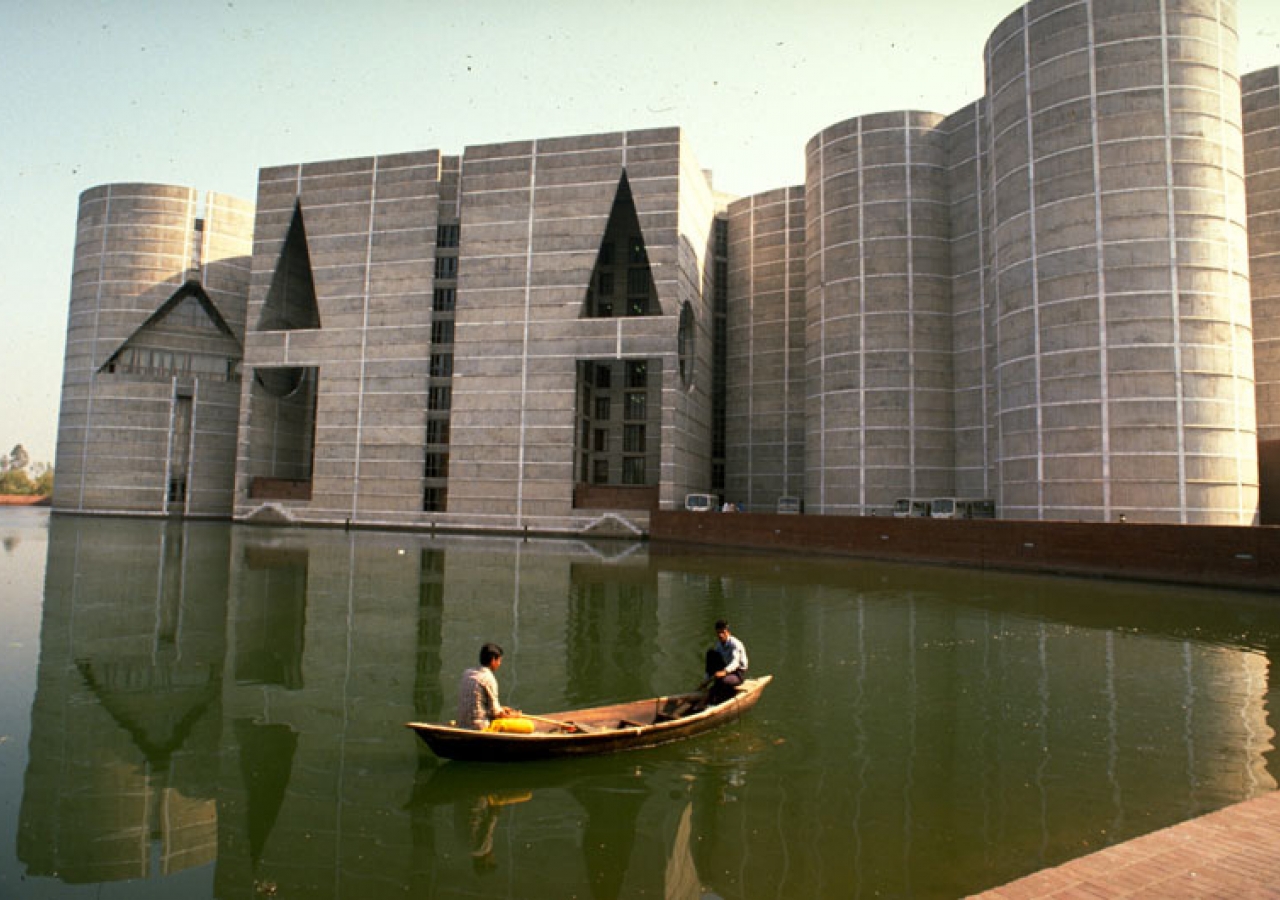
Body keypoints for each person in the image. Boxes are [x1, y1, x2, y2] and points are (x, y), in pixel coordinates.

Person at [457, 642, 517, 730]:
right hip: (479, 726)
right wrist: (514, 716)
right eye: (499, 660)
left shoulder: (467, 673)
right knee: (523, 725)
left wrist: (502, 708)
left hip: (462, 724)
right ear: (493, 660)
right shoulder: (488, 678)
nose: (500, 664)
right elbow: (495, 713)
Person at [704, 619, 748, 705]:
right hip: (725, 670)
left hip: (738, 674)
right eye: (718, 633)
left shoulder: (735, 644)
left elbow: (735, 663)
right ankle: (712, 689)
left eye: (723, 632)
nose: (720, 635)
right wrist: (706, 679)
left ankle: (722, 697)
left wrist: (724, 672)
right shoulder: (719, 645)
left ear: (728, 632)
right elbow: (712, 663)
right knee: (711, 653)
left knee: (722, 680)